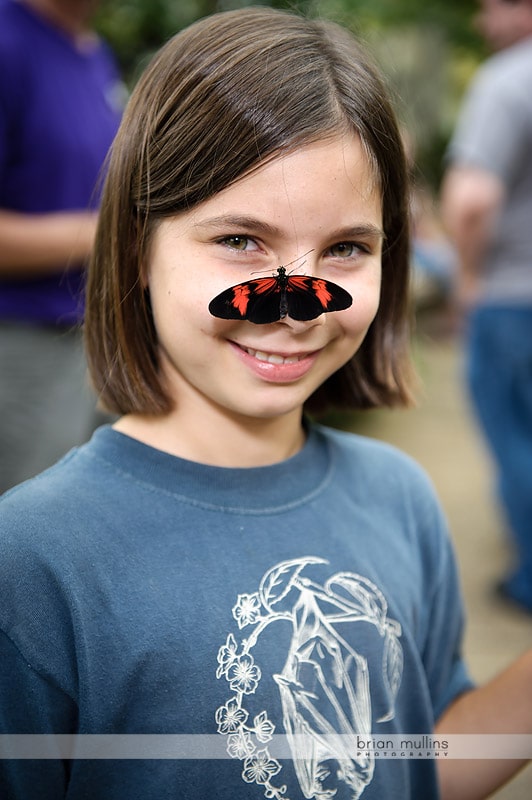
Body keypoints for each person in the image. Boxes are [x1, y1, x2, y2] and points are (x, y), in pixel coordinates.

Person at [1, 8, 531, 800]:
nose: (296, 306)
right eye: (241, 241)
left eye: (347, 248)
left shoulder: (401, 498)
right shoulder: (34, 560)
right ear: (139, 245)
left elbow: (414, 761)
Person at [0, 0, 123, 493]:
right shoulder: (10, 43)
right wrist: (116, 232)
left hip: (90, 342)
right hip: (23, 348)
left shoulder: (92, 52)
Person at [441, 0, 532, 613]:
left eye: (492, 5)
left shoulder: (508, 80)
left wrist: (466, 278)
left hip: (513, 298)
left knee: (516, 440)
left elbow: (472, 199)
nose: (481, 21)